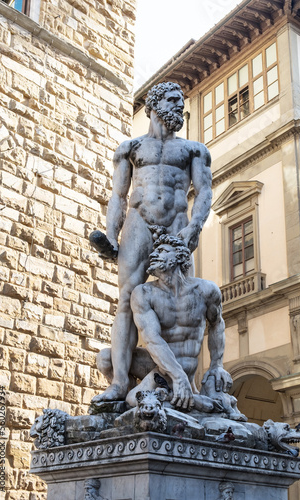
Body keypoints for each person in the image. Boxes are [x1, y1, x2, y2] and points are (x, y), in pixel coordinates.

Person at [92, 82, 212, 403]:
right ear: (154, 105)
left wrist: (193, 230)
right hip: (138, 224)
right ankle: (119, 382)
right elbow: (118, 197)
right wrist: (110, 235)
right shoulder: (130, 149)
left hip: (177, 227)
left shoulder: (193, 150)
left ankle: (184, 381)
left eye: (181, 101)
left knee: (183, 303)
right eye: (173, 100)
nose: (179, 107)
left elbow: (203, 194)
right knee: (125, 302)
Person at [126, 234, 231, 410]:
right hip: (161, 363)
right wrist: (178, 377)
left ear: (179, 256)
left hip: (184, 364)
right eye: (154, 251)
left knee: (132, 400)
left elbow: (217, 325)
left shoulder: (206, 290)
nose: (154, 255)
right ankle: (187, 399)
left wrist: (217, 365)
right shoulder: (144, 293)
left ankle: (175, 397)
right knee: (106, 359)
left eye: (161, 251)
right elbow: (152, 338)